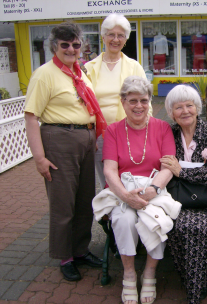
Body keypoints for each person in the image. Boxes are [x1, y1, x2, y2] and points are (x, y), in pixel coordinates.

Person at [24, 22, 106, 281]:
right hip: (59, 138)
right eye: (65, 45)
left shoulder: (80, 73)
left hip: (84, 140)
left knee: (84, 201)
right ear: (54, 47)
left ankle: (80, 250)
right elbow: (30, 117)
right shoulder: (45, 74)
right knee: (63, 204)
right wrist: (39, 158)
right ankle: (65, 256)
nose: (71, 49)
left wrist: (90, 136)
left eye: (76, 44)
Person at [102, 76, 176, 304]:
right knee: (124, 220)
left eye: (143, 100)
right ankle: (129, 274)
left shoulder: (162, 128)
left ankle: (150, 273)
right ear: (123, 102)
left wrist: (153, 189)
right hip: (123, 189)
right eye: (132, 100)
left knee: (154, 219)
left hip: (155, 187)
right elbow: (109, 170)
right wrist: (125, 196)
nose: (138, 106)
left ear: (150, 102)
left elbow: (169, 166)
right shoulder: (113, 130)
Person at [161, 85, 207, 304]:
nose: (185, 111)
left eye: (189, 105)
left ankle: (197, 283)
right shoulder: (168, 133)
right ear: (171, 113)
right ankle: (194, 283)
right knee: (178, 226)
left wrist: (182, 172)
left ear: (197, 108)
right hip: (180, 196)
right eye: (178, 107)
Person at [85, 13, 150, 189]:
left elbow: (146, 102)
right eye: (111, 34)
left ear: (126, 39)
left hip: (128, 131)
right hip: (100, 135)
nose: (115, 39)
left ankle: (126, 209)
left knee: (127, 175)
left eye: (120, 35)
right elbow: (83, 104)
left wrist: (146, 128)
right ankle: (107, 214)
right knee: (106, 178)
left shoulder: (134, 66)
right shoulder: (89, 68)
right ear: (103, 36)